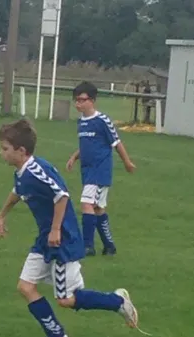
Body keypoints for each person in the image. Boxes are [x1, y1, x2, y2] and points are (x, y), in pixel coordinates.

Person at [0, 118, 143, 337]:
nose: (1, 153)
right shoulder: (22, 172)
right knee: (25, 286)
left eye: (4, 149)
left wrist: (55, 229)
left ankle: (119, 302)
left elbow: (61, 195)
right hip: (45, 240)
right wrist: (2, 215)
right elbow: (17, 192)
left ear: (21, 151)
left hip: (62, 240)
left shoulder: (36, 170)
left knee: (66, 299)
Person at [66, 81, 136, 257]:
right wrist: (74, 157)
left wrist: (127, 162)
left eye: (82, 100)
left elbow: (116, 142)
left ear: (92, 100)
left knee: (86, 203)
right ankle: (109, 246)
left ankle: (87, 246)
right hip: (87, 170)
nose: (78, 104)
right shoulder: (81, 122)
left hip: (100, 171)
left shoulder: (102, 120)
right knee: (98, 209)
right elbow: (87, 145)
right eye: (76, 100)